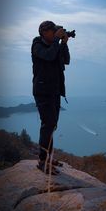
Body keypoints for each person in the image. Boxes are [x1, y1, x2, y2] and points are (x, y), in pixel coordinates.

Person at [31, 21, 70, 174]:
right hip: (43, 91)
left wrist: (64, 44)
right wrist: (56, 41)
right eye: (52, 31)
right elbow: (48, 56)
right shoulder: (37, 45)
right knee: (47, 125)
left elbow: (66, 60)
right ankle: (42, 161)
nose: (55, 33)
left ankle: (48, 157)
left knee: (52, 125)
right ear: (43, 32)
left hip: (54, 92)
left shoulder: (54, 44)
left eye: (56, 31)